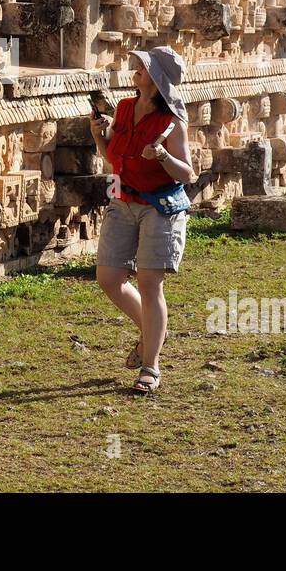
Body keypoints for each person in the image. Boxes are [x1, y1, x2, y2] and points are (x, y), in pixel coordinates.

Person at [89, 45, 194, 394]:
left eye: (142, 67)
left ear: (157, 79)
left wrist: (163, 155)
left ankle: (151, 365)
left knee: (150, 284)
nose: (134, 69)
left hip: (159, 207)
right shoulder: (124, 107)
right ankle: (153, 332)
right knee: (109, 278)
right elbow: (113, 159)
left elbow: (187, 173)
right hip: (122, 201)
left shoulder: (171, 122)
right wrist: (98, 135)